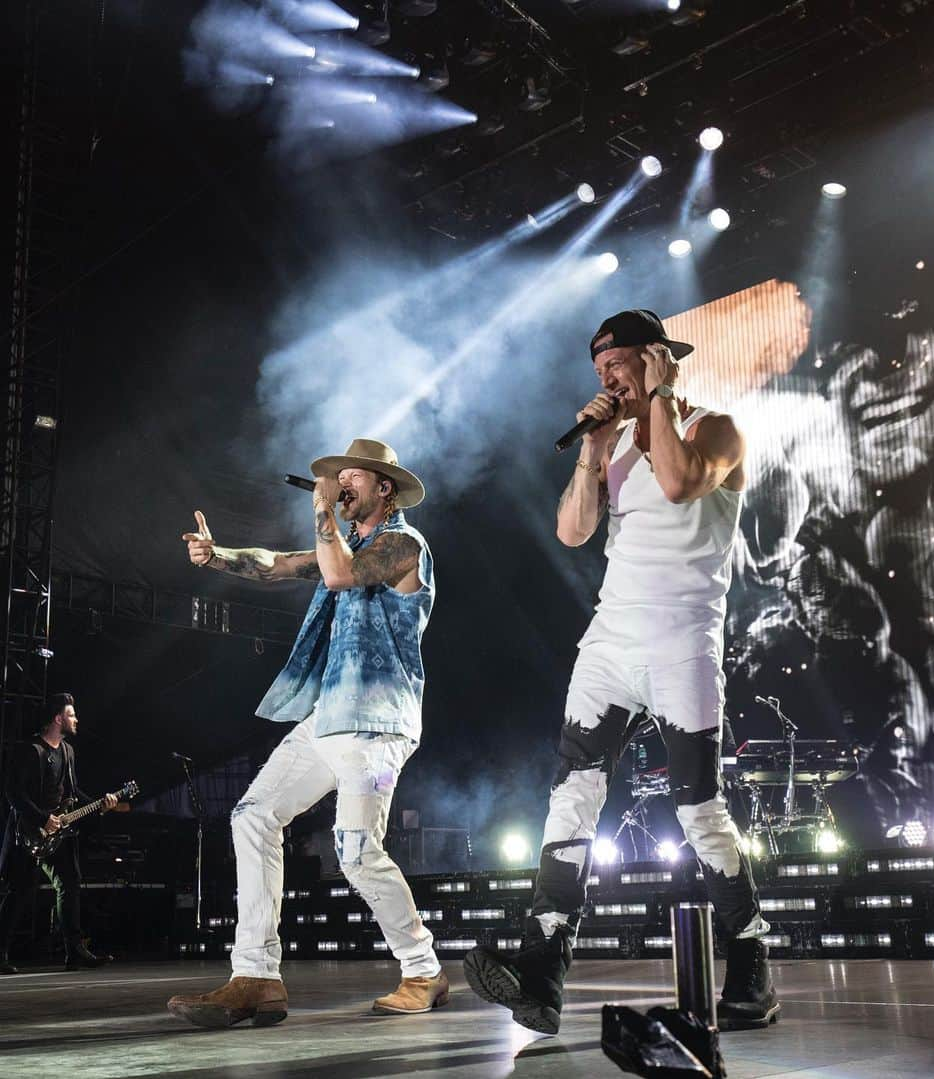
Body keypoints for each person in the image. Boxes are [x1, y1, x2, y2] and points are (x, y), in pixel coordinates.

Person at [463, 310, 779, 1034]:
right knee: (570, 797)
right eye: (601, 370)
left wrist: (658, 402)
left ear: (659, 359)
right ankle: (540, 977)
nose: (609, 378)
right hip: (610, 639)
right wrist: (593, 451)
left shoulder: (714, 428)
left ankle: (753, 964)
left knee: (698, 807)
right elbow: (573, 530)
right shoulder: (615, 446)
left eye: (622, 365)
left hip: (682, 643)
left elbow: (678, 484)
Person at [166, 439, 447, 1029]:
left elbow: (340, 574)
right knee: (253, 814)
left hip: (378, 727)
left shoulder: (402, 544)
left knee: (357, 850)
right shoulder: (344, 545)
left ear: (383, 489)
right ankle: (257, 977)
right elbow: (279, 564)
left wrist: (322, 512)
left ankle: (423, 969)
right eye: (336, 478)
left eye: (352, 479)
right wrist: (218, 556)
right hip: (329, 716)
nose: (341, 486)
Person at [0, 693, 119, 974]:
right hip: (27, 832)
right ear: (57, 718)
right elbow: (13, 793)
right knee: (19, 891)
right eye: (71, 714)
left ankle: (75, 952)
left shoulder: (67, 752)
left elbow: (72, 793)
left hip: (58, 835)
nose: (76, 719)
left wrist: (99, 804)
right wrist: (42, 819)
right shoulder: (29, 750)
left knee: (70, 883)